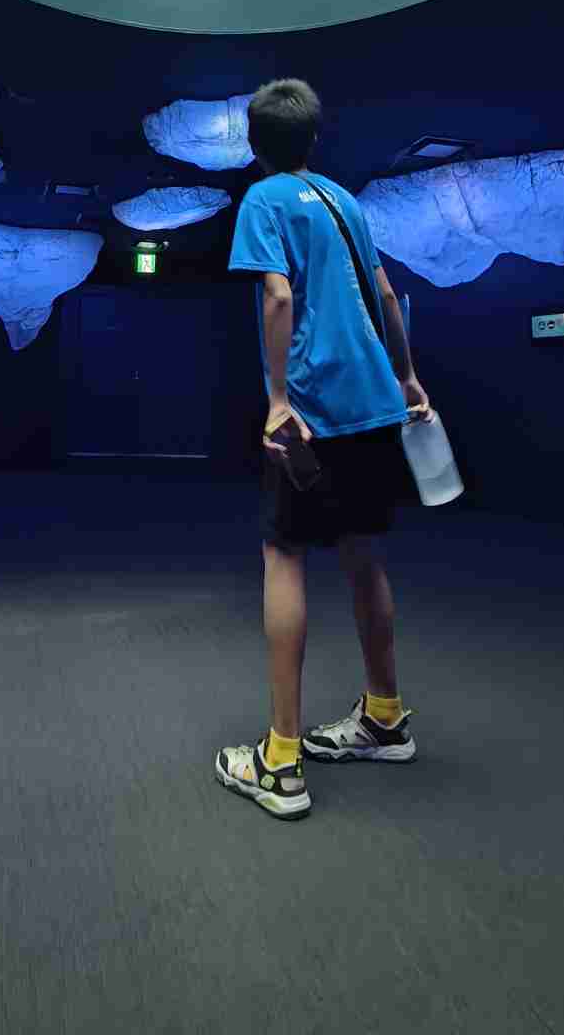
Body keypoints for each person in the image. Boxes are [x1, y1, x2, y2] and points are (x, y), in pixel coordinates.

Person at [213, 78, 431, 821]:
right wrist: (406, 376)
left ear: (255, 145)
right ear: (313, 138)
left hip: (315, 409)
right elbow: (388, 296)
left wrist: (278, 401)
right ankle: (385, 717)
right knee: (363, 553)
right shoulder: (346, 201)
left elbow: (278, 296)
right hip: (374, 399)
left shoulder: (264, 199)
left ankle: (280, 762)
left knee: (284, 556)